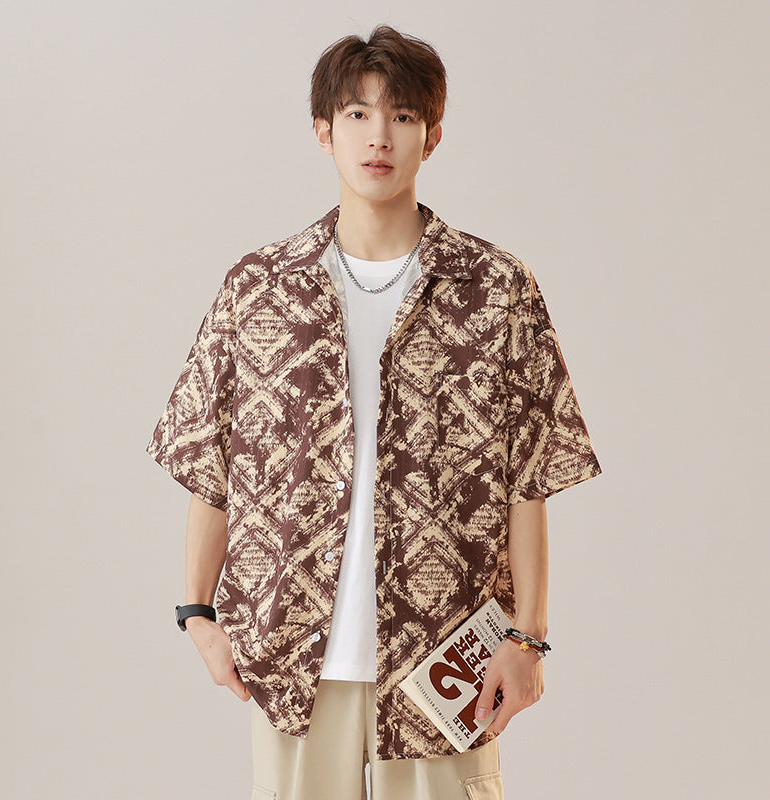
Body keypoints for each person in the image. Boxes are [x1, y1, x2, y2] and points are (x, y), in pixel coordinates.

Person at [146, 23, 602, 800]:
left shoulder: (495, 289)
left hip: (444, 660)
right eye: (357, 114)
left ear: (433, 134)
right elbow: (213, 463)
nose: (379, 136)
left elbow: (529, 479)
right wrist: (197, 614)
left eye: (402, 115)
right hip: (293, 659)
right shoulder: (260, 288)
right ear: (323, 131)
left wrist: (529, 638)